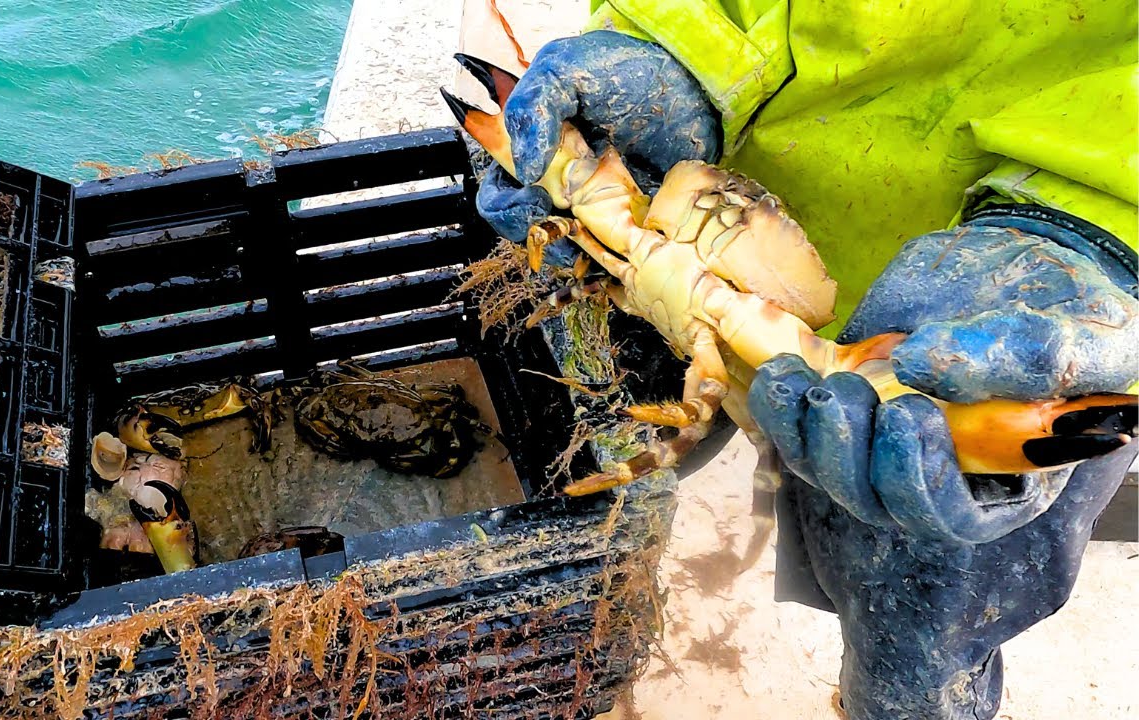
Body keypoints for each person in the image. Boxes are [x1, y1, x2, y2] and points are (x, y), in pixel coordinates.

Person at [472, 2, 1139, 718]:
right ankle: (597, 554)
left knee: (924, 597)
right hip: (704, 177)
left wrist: (1097, 227)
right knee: (594, 402)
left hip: (1006, 316)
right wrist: (677, 48)